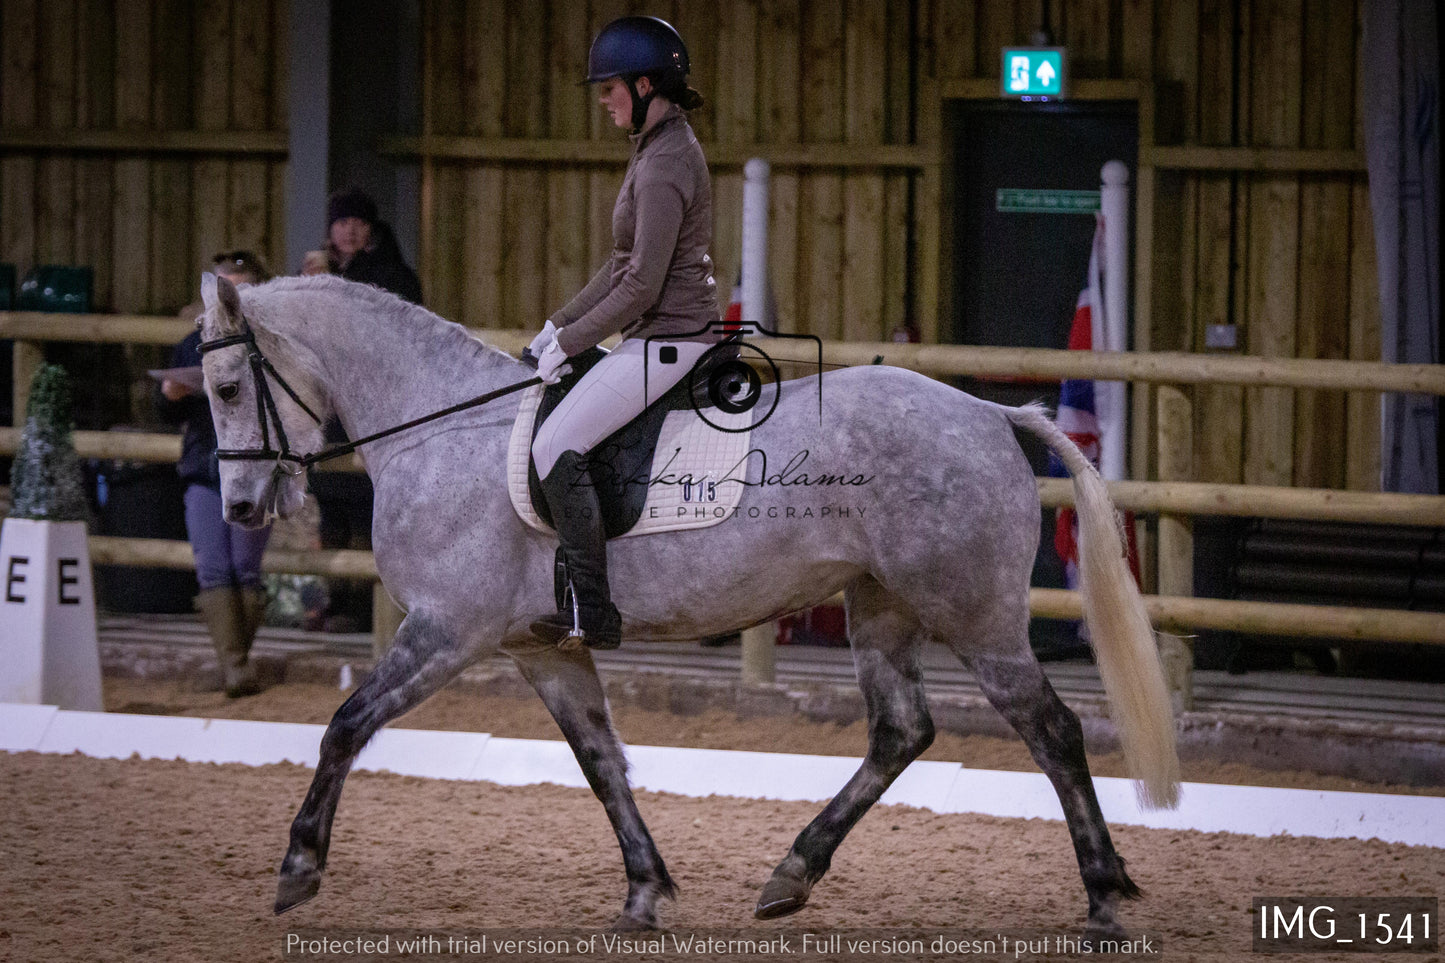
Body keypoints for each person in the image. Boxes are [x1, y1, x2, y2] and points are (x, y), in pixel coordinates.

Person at [527, 16, 723, 650]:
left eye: (608, 88)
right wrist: (556, 325)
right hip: (650, 335)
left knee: (555, 444)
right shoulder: (653, 148)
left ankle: (593, 611)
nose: (603, 99)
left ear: (645, 85)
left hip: (671, 340)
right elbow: (618, 267)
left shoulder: (667, 160)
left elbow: (641, 285)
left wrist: (575, 342)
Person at [304, 187, 423, 631]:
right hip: (333, 411)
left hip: (376, 410)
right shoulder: (326, 272)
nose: (348, 229)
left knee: (365, 507)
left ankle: (363, 610)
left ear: (370, 229)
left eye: (356, 221)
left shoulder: (393, 276)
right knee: (333, 505)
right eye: (341, 222)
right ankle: (338, 601)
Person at [159, 251, 273, 697]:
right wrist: (170, 395)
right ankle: (235, 667)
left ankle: (234, 665)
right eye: (224, 287)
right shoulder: (192, 341)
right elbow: (164, 413)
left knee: (245, 568)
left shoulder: (268, 341)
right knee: (212, 567)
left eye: (238, 288)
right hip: (206, 467)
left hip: (253, 467)